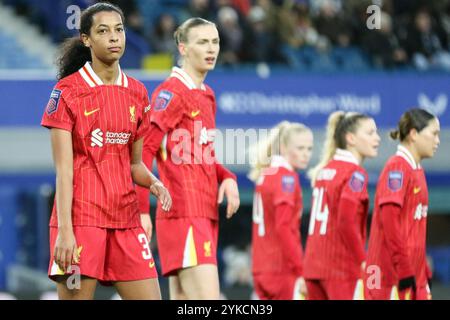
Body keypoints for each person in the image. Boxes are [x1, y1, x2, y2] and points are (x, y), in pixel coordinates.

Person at [40, 2, 171, 300]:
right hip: (82, 222)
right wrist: (65, 231)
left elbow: (134, 165)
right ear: (86, 39)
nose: (114, 37)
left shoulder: (138, 92)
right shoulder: (67, 91)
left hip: (126, 222)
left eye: (119, 30)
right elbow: (64, 170)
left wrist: (154, 182)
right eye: (103, 31)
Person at [135, 17, 240, 300]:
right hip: (184, 213)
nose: (211, 49)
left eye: (215, 42)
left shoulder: (206, 94)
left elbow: (201, 155)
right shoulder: (171, 92)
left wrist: (227, 177)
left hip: (204, 212)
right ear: (183, 47)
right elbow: (142, 151)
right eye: (202, 42)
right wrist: (142, 210)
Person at [303, 111, 380, 300]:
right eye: (370, 133)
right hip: (341, 268)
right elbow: (346, 220)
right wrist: (364, 259)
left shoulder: (324, 171)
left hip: (313, 268)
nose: (377, 138)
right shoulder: (356, 174)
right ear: (351, 138)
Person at [365, 108, 440, 300]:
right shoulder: (397, 167)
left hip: (413, 275)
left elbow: (415, 230)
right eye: (434, 134)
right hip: (389, 277)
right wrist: (404, 267)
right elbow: (390, 221)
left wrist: (423, 271)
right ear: (414, 134)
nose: (438, 141)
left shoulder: (417, 171)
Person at [249, 121, 313, 300]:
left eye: (309, 149)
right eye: (300, 148)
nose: (306, 154)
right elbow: (284, 227)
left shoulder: (265, 174)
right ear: (284, 148)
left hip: (260, 268)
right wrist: (301, 269)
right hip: (281, 269)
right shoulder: (287, 178)